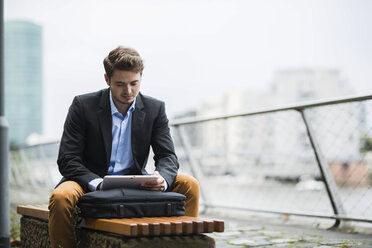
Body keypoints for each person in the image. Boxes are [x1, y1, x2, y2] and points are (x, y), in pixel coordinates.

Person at [48, 46, 200, 248]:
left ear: (140, 78)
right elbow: (68, 159)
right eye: (120, 84)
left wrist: (161, 178)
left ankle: (185, 244)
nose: (128, 91)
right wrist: (96, 182)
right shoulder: (83, 106)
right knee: (60, 197)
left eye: (134, 83)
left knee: (190, 184)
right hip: (87, 181)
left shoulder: (155, 109)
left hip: (136, 180)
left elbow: (168, 156)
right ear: (107, 79)